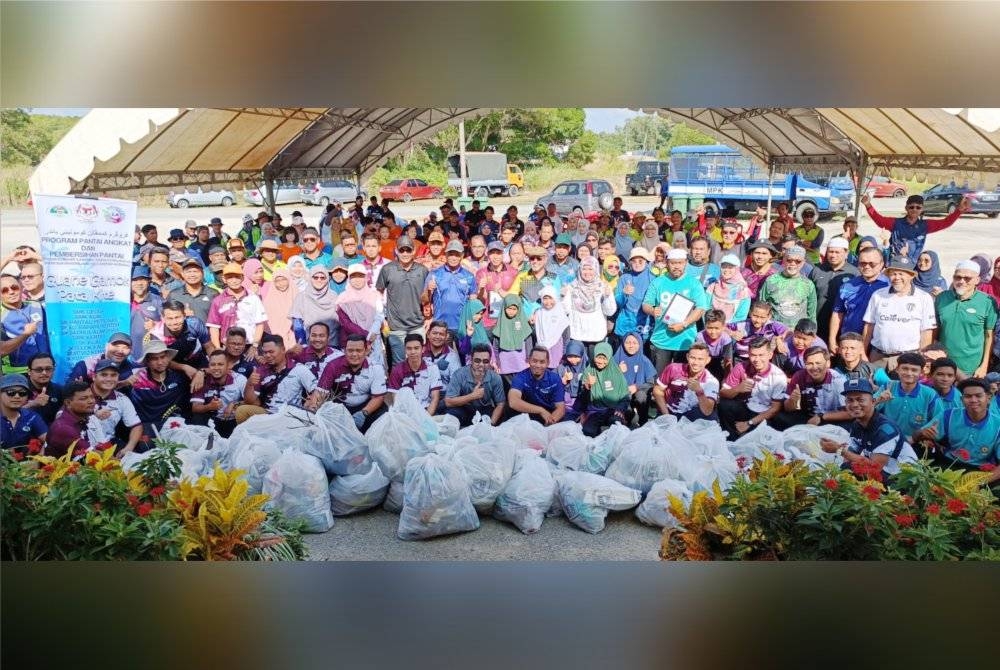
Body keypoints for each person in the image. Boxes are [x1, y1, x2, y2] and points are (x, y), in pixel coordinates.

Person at [820, 378, 918, 484]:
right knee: (845, 468)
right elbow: (850, 456)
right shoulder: (857, 424)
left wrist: (839, 450)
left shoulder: (886, 429)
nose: (854, 405)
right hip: (886, 473)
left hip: (905, 480)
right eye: (850, 400)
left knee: (855, 471)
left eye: (860, 400)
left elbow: (874, 468)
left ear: (873, 401)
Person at [913, 378, 1000, 480]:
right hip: (947, 464)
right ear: (961, 399)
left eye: (978, 395)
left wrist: (979, 482)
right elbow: (915, 436)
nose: (973, 400)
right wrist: (922, 433)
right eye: (968, 396)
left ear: (989, 397)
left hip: (978, 470)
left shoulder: (998, 425)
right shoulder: (948, 415)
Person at [642, 248, 709, 374]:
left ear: (685, 263)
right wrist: (652, 310)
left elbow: (700, 309)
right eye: (673, 263)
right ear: (667, 263)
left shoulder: (694, 283)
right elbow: (646, 304)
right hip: (661, 340)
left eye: (680, 263)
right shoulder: (658, 282)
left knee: (682, 382)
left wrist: (684, 324)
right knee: (659, 380)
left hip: (685, 341)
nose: (676, 266)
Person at [862, 257, 936, 370]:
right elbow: (869, 326)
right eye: (893, 274)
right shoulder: (878, 295)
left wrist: (922, 359)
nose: (897, 278)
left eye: (901, 274)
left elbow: (926, 332)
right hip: (877, 356)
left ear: (911, 276)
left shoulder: (924, 298)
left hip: (908, 358)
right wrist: (862, 352)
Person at [935, 260, 998, 377]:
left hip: (971, 368)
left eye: (967, 278)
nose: (961, 281)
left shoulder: (987, 302)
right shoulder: (941, 298)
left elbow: (989, 336)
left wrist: (984, 366)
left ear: (977, 280)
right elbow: (935, 331)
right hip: (943, 365)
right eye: (957, 277)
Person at [862, 192, 969, 260]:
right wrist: (868, 205)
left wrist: (958, 211)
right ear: (906, 208)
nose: (914, 209)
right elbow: (879, 220)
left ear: (922, 209)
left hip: (914, 266)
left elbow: (945, 223)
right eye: (911, 207)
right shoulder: (896, 223)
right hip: (895, 263)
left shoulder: (925, 225)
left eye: (918, 207)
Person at [718, 336, 788, 438]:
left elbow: (775, 409)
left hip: (764, 414)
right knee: (724, 405)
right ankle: (731, 438)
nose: (756, 359)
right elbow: (723, 392)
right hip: (745, 407)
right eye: (753, 355)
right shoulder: (740, 367)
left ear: (770, 354)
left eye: (761, 355)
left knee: (766, 430)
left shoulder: (778, 376)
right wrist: (737, 389)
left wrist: (749, 423)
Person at [239, 334, 319, 422]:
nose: (268, 355)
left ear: (283, 350)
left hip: (290, 416)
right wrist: (249, 384)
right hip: (267, 414)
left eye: (271, 352)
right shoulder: (260, 371)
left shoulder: (298, 369)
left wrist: (309, 403)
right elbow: (252, 402)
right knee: (242, 411)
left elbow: (318, 391)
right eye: (265, 352)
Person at [377, 236, 429, 367]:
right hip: (395, 326)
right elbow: (379, 292)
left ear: (413, 251)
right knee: (398, 363)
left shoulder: (422, 270)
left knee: (418, 361)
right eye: (402, 250)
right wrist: (382, 317)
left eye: (408, 250)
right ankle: (397, 387)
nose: (405, 253)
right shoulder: (387, 269)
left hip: (417, 325)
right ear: (396, 251)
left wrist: (429, 317)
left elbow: (428, 297)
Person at [828, 245, 888, 355]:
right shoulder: (848, 286)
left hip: (876, 346)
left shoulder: (888, 287)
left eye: (872, 264)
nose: (867, 266)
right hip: (849, 342)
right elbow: (838, 313)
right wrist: (832, 339)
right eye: (862, 263)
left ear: (881, 264)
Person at [772, 346, 850, 430]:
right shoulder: (799, 376)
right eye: (809, 364)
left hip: (831, 419)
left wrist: (821, 417)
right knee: (779, 417)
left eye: (818, 363)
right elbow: (788, 409)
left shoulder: (839, 381)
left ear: (828, 363)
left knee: (849, 426)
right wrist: (792, 400)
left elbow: (849, 413)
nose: (814, 368)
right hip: (808, 418)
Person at [874, 352, 941, 445]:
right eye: (905, 368)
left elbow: (938, 420)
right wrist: (878, 400)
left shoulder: (930, 394)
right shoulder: (888, 386)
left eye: (914, 370)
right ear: (897, 369)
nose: (909, 373)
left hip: (915, 442)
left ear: (921, 372)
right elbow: (867, 410)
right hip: (885, 439)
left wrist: (919, 436)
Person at [128, 339, 190, 436]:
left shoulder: (178, 378)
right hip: (146, 427)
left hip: (172, 425)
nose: (160, 362)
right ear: (147, 362)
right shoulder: (136, 379)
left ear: (168, 358)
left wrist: (200, 372)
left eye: (163, 357)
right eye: (154, 359)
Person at [206, 263, 268, 353]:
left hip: (250, 347)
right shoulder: (218, 300)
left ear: (242, 278)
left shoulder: (253, 297)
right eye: (230, 277)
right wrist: (218, 348)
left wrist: (254, 346)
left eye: (237, 277)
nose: (234, 280)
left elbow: (259, 324)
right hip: (227, 346)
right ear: (224, 279)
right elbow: (214, 327)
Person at [652, 342, 720, 422]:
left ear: (708, 360)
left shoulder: (711, 381)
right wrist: (666, 415)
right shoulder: (673, 368)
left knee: (711, 418)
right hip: (669, 411)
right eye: (692, 358)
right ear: (687, 357)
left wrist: (699, 391)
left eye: (700, 359)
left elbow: (707, 411)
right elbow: (657, 390)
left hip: (692, 415)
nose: (695, 363)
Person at [89, 359, 143, 456]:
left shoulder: (122, 399)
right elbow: (62, 418)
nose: (109, 379)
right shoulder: (82, 393)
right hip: (82, 443)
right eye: (104, 375)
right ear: (94, 377)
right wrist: (93, 414)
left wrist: (129, 448)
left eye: (113, 375)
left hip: (108, 443)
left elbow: (136, 426)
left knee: (135, 461)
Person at [563, 257, 616, 356]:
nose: (587, 272)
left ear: (596, 270)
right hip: (577, 334)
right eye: (584, 269)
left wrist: (607, 297)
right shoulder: (571, 286)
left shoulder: (603, 286)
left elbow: (610, 312)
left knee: (594, 366)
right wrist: (563, 296)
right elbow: (565, 310)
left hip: (596, 335)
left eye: (591, 269)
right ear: (579, 270)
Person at [444, 343, 506, 427]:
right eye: (477, 360)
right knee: (451, 415)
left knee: (501, 417)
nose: (481, 364)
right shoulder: (459, 374)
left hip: (484, 409)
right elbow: (448, 402)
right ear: (471, 359)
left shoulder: (495, 378)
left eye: (485, 361)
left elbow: (500, 404)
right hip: (463, 407)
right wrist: (472, 396)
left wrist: (490, 425)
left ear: (490, 361)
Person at [808, 237, 858, 341]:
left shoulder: (854, 274)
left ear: (846, 253)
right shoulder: (817, 270)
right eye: (830, 251)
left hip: (841, 326)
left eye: (837, 252)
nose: (833, 255)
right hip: (817, 324)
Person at [423, 240, 476, 336]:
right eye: (451, 254)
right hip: (440, 326)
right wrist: (428, 290)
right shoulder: (434, 273)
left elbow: (473, 301)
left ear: (462, 255)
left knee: (464, 351)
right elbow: (424, 300)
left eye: (457, 254)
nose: (453, 258)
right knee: (444, 352)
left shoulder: (469, 276)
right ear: (446, 255)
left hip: (462, 325)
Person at [577, 342, 630, 437]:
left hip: (613, 409)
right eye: (598, 357)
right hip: (595, 411)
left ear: (609, 357)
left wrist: (620, 409)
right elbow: (582, 399)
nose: (601, 361)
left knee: (616, 427)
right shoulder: (589, 371)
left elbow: (625, 395)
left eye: (604, 358)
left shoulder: (616, 372)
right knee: (588, 432)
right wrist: (588, 386)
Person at [189, 350, 246, 438]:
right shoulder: (201, 380)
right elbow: (195, 408)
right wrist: (209, 406)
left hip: (233, 420)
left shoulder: (239, 379)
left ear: (228, 366)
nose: (216, 368)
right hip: (212, 419)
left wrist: (234, 404)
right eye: (213, 364)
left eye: (220, 364)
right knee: (197, 417)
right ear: (208, 366)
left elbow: (252, 402)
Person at [1, 272, 49, 375]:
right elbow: (1, 350)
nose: (11, 292)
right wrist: (25, 334)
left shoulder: (36, 305)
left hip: (44, 369)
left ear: (21, 287)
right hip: (17, 373)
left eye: (14, 287)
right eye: (4, 290)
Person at [158, 299, 212, 391]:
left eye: (177, 317)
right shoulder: (156, 334)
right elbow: (160, 361)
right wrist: (184, 367)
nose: (174, 322)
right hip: (173, 369)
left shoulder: (195, 324)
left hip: (200, 365)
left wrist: (214, 365)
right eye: (170, 318)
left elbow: (208, 346)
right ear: (163, 318)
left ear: (184, 316)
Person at [758, 245, 817, 328]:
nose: (793, 264)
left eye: (798, 261)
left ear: (803, 262)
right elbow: (761, 307)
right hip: (774, 332)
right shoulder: (771, 280)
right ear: (784, 260)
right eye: (789, 260)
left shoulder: (808, 284)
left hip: (797, 335)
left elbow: (811, 315)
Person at [507, 346, 567, 426]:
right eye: (534, 361)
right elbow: (513, 402)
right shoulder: (520, 377)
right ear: (529, 361)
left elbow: (560, 408)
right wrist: (540, 410)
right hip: (526, 417)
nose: (538, 365)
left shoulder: (555, 379)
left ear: (548, 363)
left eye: (542, 362)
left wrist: (551, 421)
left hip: (549, 416)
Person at [386, 333, 441, 415]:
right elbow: (396, 401)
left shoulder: (432, 368)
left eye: (416, 348)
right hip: (405, 413)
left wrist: (426, 419)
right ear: (405, 350)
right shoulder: (397, 370)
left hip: (427, 410)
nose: (413, 352)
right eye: (409, 348)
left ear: (423, 349)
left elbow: (435, 398)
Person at [288, 263, 340, 350]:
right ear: (310, 278)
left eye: (322, 277)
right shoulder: (302, 297)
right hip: (310, 345)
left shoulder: (334, 296)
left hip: (332, 345)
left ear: (327, 279)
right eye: (315, 277)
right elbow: (297, 323)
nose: (319, 280)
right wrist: (303, 344)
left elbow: (340, 323)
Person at [44, 380, 98, 459]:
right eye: (84, 398)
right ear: (68, 403)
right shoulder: (63, 428)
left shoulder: (80, 418)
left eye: (92, 397)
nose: (91, 401)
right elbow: (95, 456)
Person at [613, 331, 657, 425]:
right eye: (628, 342)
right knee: (625, 420)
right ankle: (629, 416)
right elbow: (608, 380)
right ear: (623, 343)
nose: (631, 346)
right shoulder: (616, 359)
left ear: (640, 344)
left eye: (635, 343)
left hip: (638, 394)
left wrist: (636, 387)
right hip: (620, 395)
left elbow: (650, 383)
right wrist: (618, 371)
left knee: (641, 396)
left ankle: (643, 422)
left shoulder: (644, 360)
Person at [613, 248, 654, 344]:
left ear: (646, 261)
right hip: (626, 323)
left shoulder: (653, 278)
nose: (637, 264)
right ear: (630, 262)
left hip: (645, 324)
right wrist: (624, 294)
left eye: (640, 261)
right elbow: (618, 303)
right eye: (634, 261)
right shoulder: (624, 278)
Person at [475, 241, 518, 328]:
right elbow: (481, 299)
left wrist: (501, 292)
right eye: (492, 253)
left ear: (503, 254)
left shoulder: (513, 272)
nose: (495, 257)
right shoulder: (481, 273)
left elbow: (517, 296)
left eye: (498, 253)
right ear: (487, 254)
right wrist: (481, 288)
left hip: (507, 319)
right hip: (488, 321)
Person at [67, 332, 137, 384]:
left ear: (131, 351)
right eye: (116, 346)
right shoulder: (86, 366)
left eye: (125, 348)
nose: (120, 351)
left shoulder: (132, 369)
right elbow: (70, 392)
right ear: (106, 346)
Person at [0, 373, 47, 452]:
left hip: (25, 463)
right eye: (11, 392)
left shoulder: (31, 416)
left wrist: (42, 453)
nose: (17, 396)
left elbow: (49, 439)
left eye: (22, 393)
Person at [511, 245, 561, 318]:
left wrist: (537, 313)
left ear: (545, 259)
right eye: (532, 258)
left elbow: (556, 301)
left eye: (538, 258)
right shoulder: (522, 276)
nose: (535, 261)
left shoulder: (554, 278)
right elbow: (512, 296)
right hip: (525, 321)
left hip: (546, 319)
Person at [491, 294, 533, 378]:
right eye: (509, 308)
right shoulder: (500, 325)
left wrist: (529, 359)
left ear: (519, 309)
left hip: (521, 362)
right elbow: (495, 347)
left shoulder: (523, 324)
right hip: (505, 363)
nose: (511, 311)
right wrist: (497, 361)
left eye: (514, 309)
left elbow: (529, 344)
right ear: (504, 308)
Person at [171, 256, 219, 324]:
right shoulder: (174, 295)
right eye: (189, 271)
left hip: (208, 333)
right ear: (182, 274)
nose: (192, 274)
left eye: (195, 271)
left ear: (202, 273)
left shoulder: (213, 294)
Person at [708, 254, 752, 323]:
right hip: (711, 326)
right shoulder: (713, 286)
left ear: (737, 269)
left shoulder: (743, 290)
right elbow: (705, 308)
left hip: (731, 329)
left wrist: (725, 329)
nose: (726, 270)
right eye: (724, 267)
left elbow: (741, 316)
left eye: (730, 267)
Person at [20, 353, 62, 425]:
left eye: (48, 369)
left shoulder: (60, 390)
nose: (44, 373)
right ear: (29, 372)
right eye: (39, 369)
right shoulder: (17, 391)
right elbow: (7, 415)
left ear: (54, 370)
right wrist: (32, 404)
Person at [695, 309, 735, 381]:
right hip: (704, 361)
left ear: (723, 327)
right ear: (705, 325)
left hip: (719, 362)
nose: (713, 332)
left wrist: (726, 380)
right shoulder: (700, 337)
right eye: (709, 328)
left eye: (717, 328)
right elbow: (698, 357)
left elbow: (728, 361)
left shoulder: (726, 339)